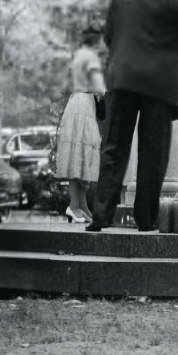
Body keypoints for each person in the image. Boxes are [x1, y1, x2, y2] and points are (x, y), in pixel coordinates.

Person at [87, 0, 178, 233]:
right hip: (157, 85)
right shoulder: (174, 4)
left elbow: (110, 37)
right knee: (152, 152)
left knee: (113, 148)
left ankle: (101, 216)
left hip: (122, 79)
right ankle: (145, 218)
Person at [55, 26, 105, 223]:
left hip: (76, 102)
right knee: (81, 155)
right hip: (84, 104)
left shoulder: (78, 55)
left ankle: (81, 205)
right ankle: (74, 206)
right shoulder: (91, 58)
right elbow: (99, 87)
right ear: (97, 40)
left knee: (79, 156)